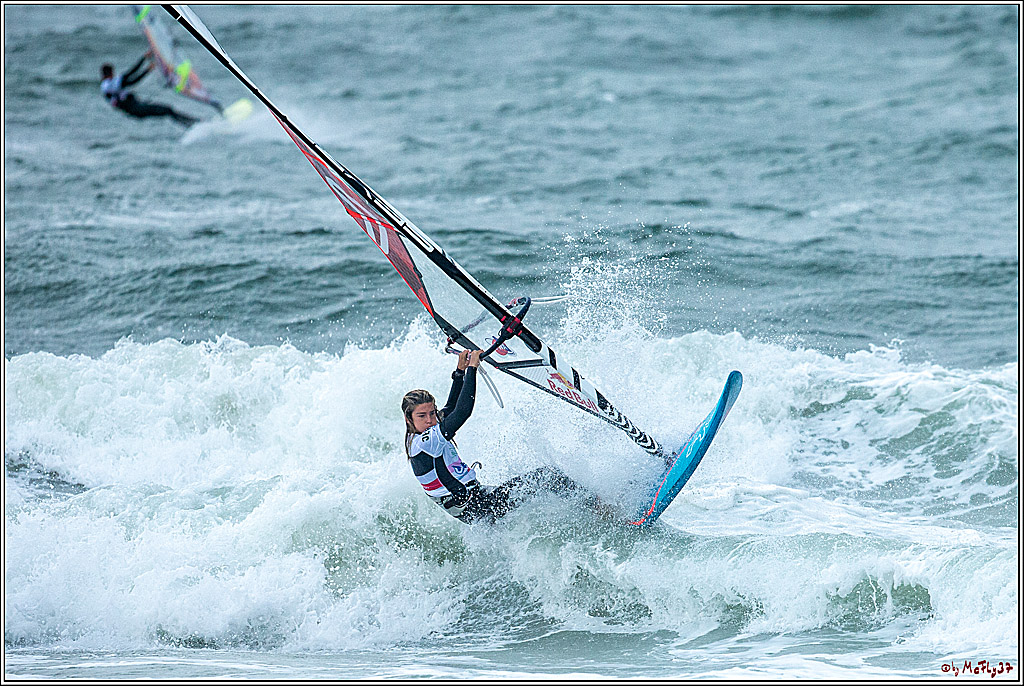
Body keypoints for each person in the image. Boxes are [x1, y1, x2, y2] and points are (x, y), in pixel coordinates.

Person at [403, 349, 601, 524]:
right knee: (548, 477)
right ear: (408, 418)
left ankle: (589, 512)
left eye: (432, 413)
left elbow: (450, 408)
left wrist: (460, 372)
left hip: (475, 501)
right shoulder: (423, 443)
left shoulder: (425, 431)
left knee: (538, 491)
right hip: (476, 507)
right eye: (422, 416)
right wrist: (472, 369)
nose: (430, 419)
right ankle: (603, 513)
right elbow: (462, 412)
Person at [100, 54, 199, 127]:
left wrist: (145, 60)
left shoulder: (109, 83)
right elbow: (131, 78)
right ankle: (193, 124)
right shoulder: (107, 85)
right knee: (167, 110)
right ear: (109, 73)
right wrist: (147, 67)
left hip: (135, 107)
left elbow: (130, 76)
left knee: (167, 111)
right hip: (135, 109)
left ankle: (192, 123)